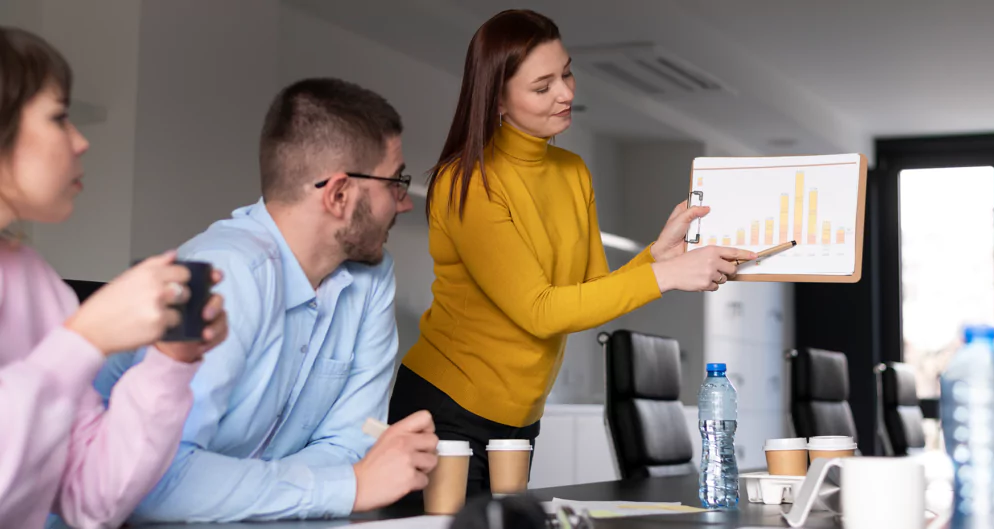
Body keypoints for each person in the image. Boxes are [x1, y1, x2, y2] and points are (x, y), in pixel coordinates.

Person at [388, 9, 755, 495]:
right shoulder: (469, 182)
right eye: (542, 87)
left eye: (566, 73)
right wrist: (666, 277)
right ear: (497, 98)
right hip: (447, 409)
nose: (565, 93)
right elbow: (539, 311)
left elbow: (586, 296)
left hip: (520, 418)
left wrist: (656, 259)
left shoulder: (572, 170)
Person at [95, 77, 438, 523]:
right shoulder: (222, 275)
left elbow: (350, 443)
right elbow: (157, 484)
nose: (403, 203)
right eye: (396, 182)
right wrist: (351, 485)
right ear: (338, 194)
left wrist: (237, 486)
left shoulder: (372, 275)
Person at [0, 27, 228, 528]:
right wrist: (84, 341)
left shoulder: (39, 285)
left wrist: (170, 363)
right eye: (59, 117)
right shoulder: (72, 325)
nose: (81, 140)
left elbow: (90, 502)